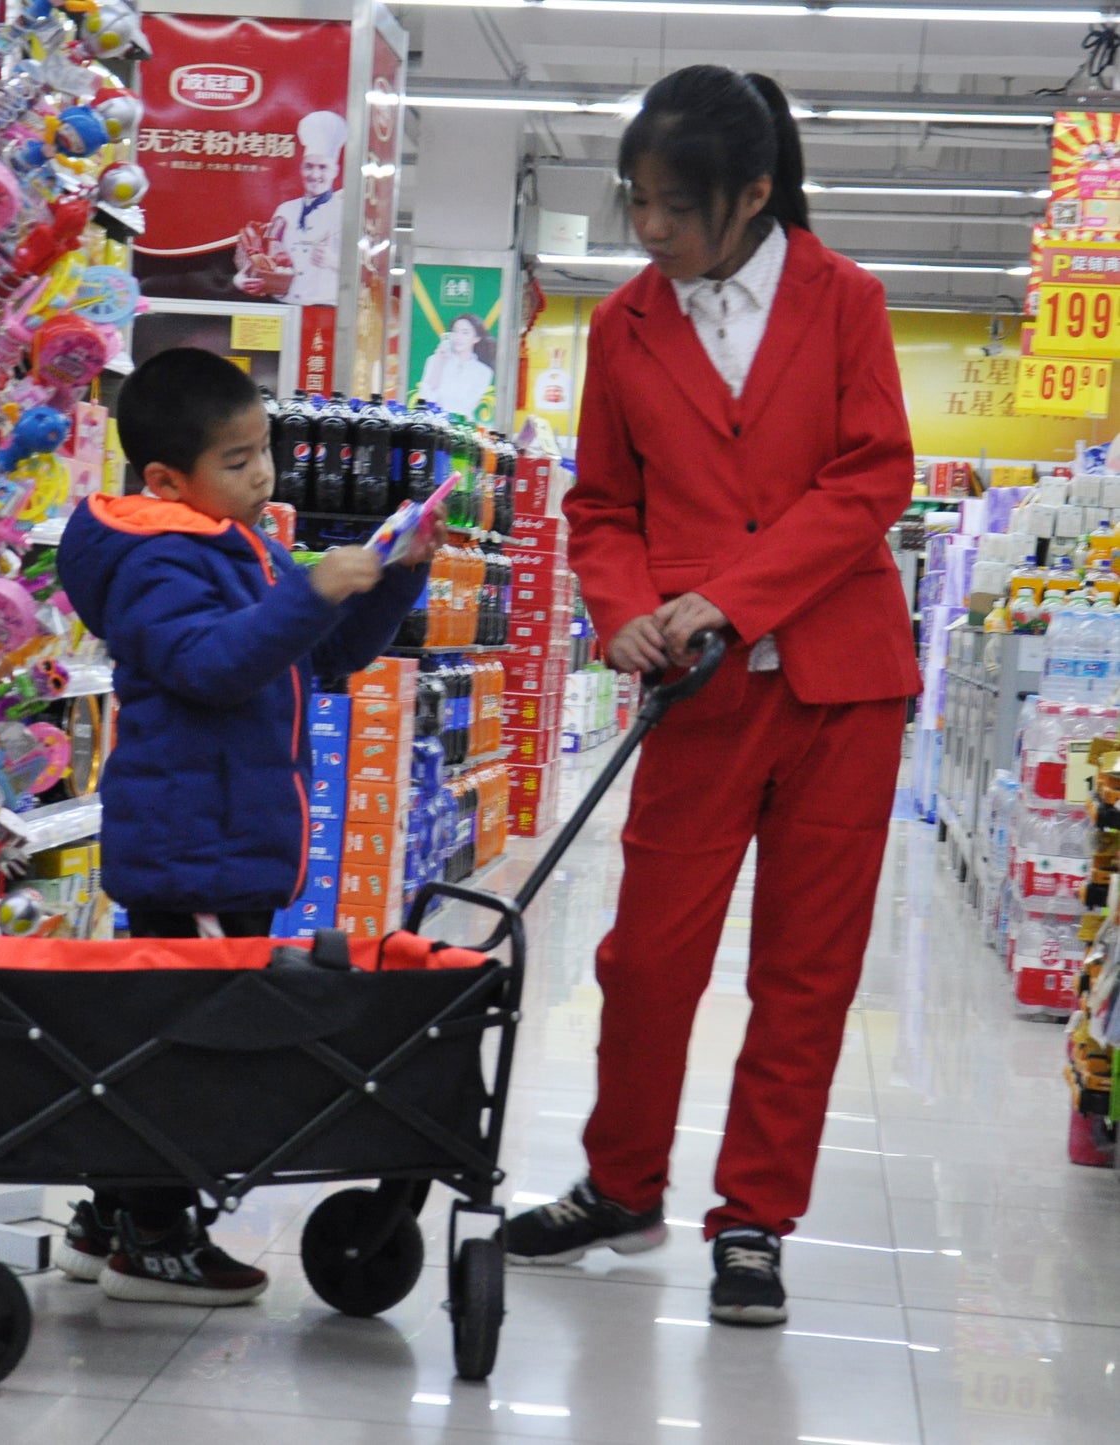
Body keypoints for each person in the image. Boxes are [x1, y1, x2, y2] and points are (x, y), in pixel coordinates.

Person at [503, 66, 921, 1327]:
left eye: (674, 208)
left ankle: (752, 1219)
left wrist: (735, 594)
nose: (647, 232)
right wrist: (620, 606)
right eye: (634, 201)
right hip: (691, 693)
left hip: (839, 686)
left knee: (806, 968)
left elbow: (868, 481)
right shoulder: (624, 326)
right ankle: (620, 1184)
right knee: (646, 958)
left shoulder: (842, 300)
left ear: (752, 194)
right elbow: (601, 506)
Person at [54, 347, 440, 1305]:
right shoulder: (156, 560)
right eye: (237, 459)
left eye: (264, 449)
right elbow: (213, 665)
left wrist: (390, 576)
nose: (262, 473)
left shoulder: (240, 542)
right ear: (164, 479)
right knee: (187, 1051)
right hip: (190, 855)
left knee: (178, 1039)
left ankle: (109, 1212)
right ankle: (151, 1233)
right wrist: (308, 590)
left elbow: (324, 657)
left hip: (235, 848)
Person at [235, 109, 346, 306]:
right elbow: (267, 258)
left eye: (323, 167)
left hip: (325, 310)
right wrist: (242, 279)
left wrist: (331, 260)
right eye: (309, 166)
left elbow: (367, 272)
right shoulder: (285, 211)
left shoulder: (346, 214)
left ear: (335, 171)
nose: (314, 174)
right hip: (282, 309)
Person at [418, 313, 495, 420]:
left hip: (462, 426)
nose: (458, 337)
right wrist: (439, 363)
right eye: (455, 331)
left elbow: (466, 405)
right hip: (432, 425)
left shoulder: (484, 372)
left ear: (476, 338)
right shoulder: (434, 360)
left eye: (465, 333)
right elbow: (426, 397)